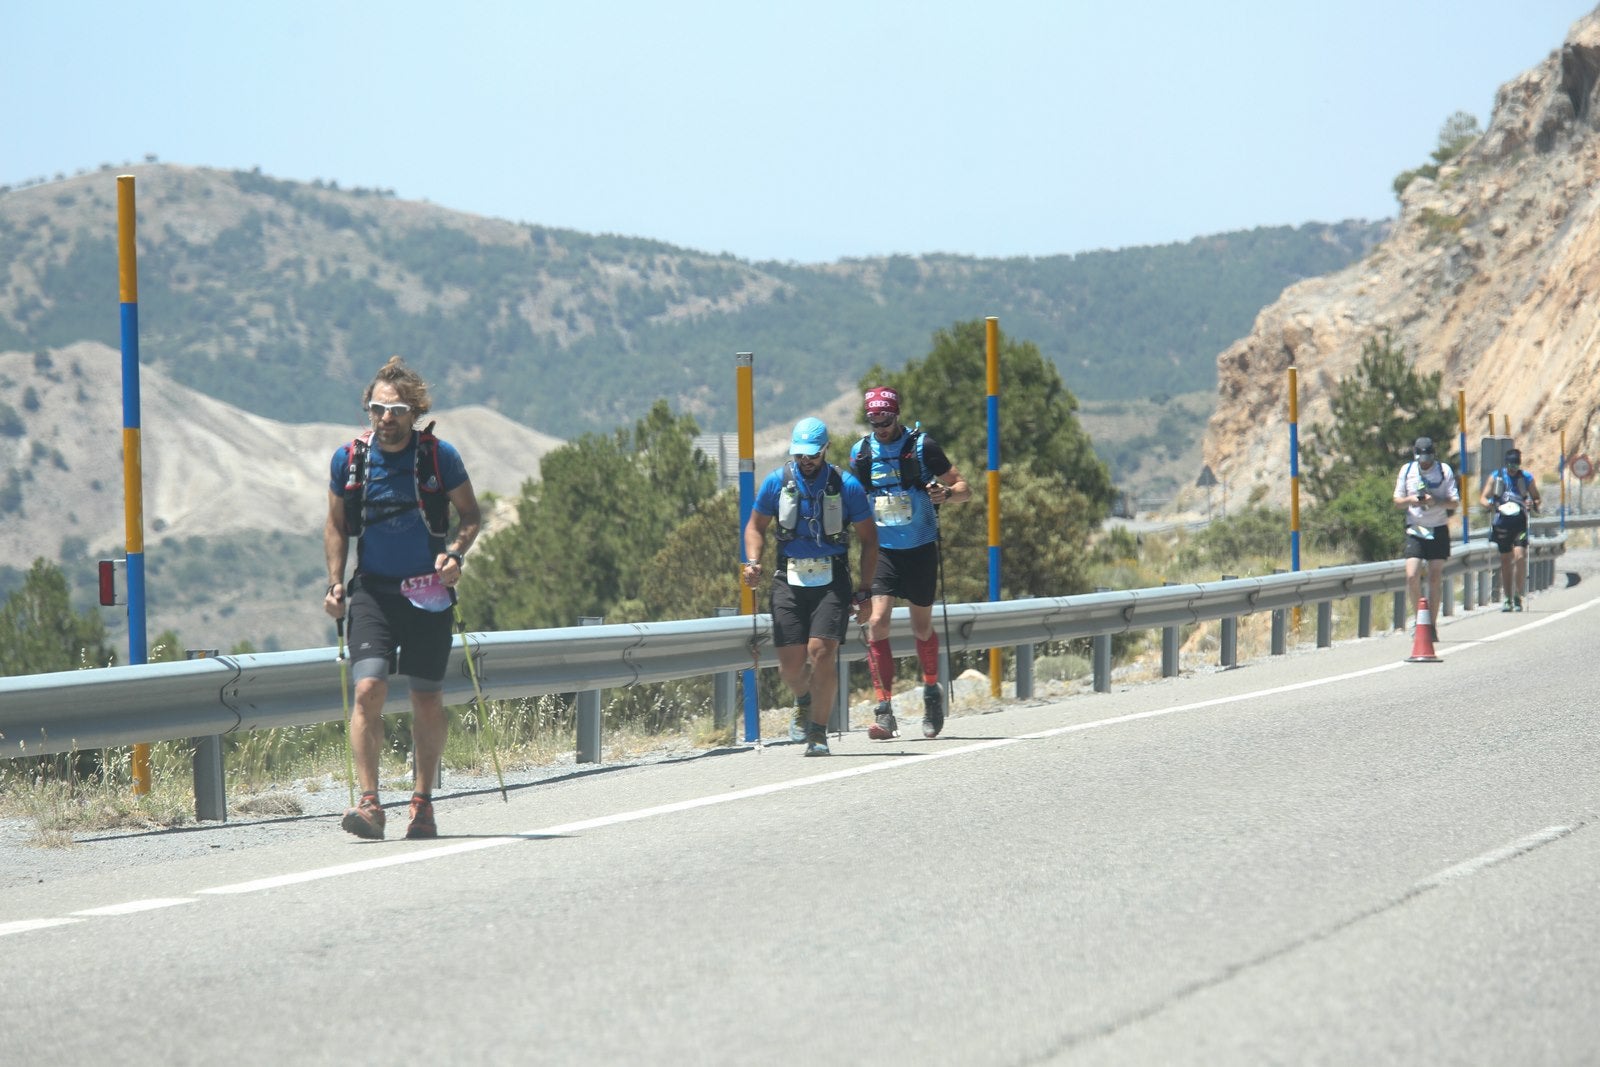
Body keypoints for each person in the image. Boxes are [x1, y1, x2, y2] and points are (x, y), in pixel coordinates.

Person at [324, 356, 481, 840]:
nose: (385, 419)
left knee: (426, 698)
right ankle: (370, 805)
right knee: (369, 689)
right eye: (377, 409)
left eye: (395, 411)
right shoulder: (348, 460)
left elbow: (471, 516)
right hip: (372, 591)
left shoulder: (439, 457)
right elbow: (336, 524)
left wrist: (454, 554)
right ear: (368, 411)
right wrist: (334, 582)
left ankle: (423, 802)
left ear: (414, 412)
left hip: (427, 595)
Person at [742, 417, 878, 756]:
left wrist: (865, 590)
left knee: (821, 653)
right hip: (788, 580)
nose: (806, 461)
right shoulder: (777, 483)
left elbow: (870, 540)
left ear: (825, 450)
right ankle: (803, 700)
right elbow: (754, 527)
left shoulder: (847, 486)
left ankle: (818, 733)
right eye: (800, 455)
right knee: (790, 666)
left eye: (812, 455)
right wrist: (753, 561)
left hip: (831, 581)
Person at [847, 386, 972, 739]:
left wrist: (945, 494)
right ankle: (884, 709)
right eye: (874, 420)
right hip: (883, 551)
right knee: (878, 622)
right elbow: (853, 500)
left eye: (885, 419)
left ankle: (931, 692)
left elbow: (964, 487)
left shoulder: (923, 447)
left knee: (920, 628)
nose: (880, 426)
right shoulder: (861, 453)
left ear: (896, 414)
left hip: (919, 547)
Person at [1392, 435, 1459, 640]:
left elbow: (1454, 503)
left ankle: (1431, 624)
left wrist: (1436, 500)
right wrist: (1411, 500)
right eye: (1421, 459)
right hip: (1416, 528)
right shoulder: (1407, 471)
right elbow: (1397, 501)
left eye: (1428, 458)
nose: (1425, 463)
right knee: (1412, 575)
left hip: (1438, 527)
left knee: (1434, 576)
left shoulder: (1444, 470)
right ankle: (1419, 618)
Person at [1479, 446, 1541, 611]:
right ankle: (1507, 597)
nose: (1512, 469)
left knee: (1520, 557)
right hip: (1503, 522)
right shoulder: (1496, 477)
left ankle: (1518, 595)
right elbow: (1483, 498)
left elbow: (1536, 498)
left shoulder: (1526, 477)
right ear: (1506, 464)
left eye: (1515, 465)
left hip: (1520, 521)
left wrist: (1532, 504)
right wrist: (1490, 504)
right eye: (1510, 466)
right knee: (1506, 560)